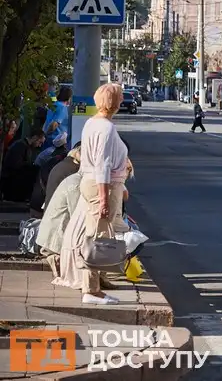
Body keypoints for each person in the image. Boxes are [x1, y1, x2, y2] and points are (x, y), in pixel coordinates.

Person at [71, 83, 131, 304]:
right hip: (102, 187)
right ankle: (91, 290)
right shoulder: (106, 129)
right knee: (99, 237)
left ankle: (97, 284)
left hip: (92, 183)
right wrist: (105, 198)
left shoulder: (92, 123)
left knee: (96, 233)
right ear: (112, 102)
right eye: (120, 97)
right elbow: (103, 164)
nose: (122, 100)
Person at [37, 148, 82, 278]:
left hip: (49, 217)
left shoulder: (63, 165)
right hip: (57, 226)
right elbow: (75, 209)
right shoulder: (74, 174)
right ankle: (56, 256)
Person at [0, 127, 45, 202]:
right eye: (40, 142)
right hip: (11, 180)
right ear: (34, 138)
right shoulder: (20, 146)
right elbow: (15, 166)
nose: (39, 145)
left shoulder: (26, 146)